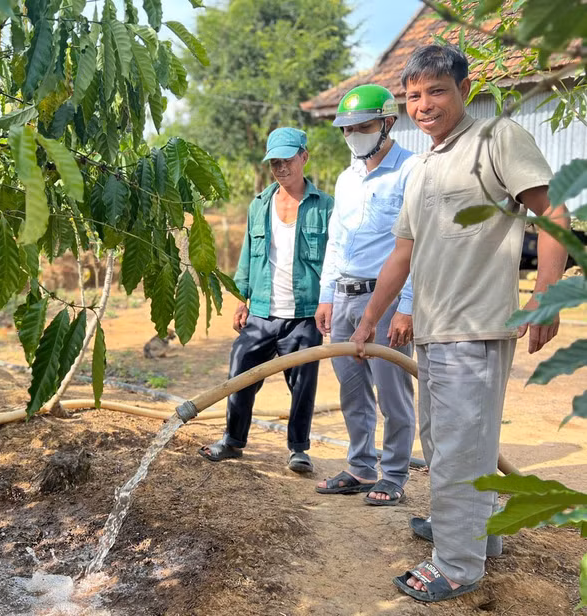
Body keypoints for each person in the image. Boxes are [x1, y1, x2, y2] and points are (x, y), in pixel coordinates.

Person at [349, 44, 569, 602]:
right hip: (434, 329)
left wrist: (546, 295)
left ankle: (455, 565)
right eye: (413, 96)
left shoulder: (497, 139)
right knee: (447, 443)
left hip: (475, 326)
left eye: (436, 91)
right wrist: (370, 319)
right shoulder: (423, 168)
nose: (423, 105)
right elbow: (402, 253)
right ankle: (475, 532)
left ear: (464, 90)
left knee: (459, 447)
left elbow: (553, 211)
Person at [199, 127, 333, 474]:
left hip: (304, 314)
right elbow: (247, 255)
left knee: (303, 384)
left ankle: (299, 450)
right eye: (275, 163)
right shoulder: (259, 205)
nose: (281, 168)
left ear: (304, 157)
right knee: (240, 371)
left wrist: (328, 300)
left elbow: (334, 259)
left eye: (287, 160)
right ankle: (233, 441)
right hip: (261, 311)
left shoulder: (325, 206)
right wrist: (241, 298)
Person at [313, 84, 417, 506]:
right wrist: (327, 294)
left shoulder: (411, 171)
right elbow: (336, 241)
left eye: (363, 127)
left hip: (386, 299)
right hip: (345, 295)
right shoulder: (347, 178)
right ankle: (360, 466)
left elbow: (417, 247)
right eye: (347, 129)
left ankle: (393, 475)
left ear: (388, 123)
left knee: (393, 394)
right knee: (352, 389)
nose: (353, 135)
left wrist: (406, 307)